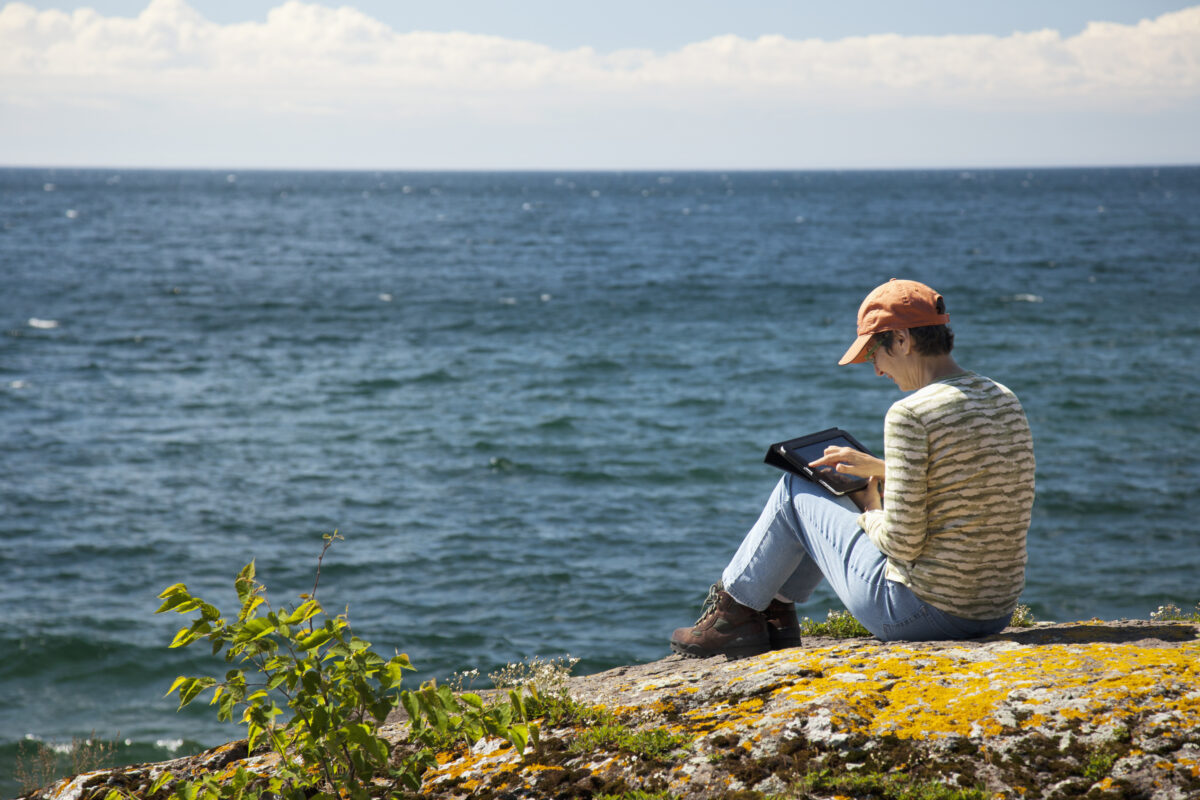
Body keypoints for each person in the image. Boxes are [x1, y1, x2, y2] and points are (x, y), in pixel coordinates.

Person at [669, 279, 1035, 658]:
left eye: (874, 353)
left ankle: (736, 616)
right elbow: (978, 480)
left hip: (920, 614)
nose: (876, 370)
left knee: (795, 490)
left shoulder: (910, 414)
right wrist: (884, 468)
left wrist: (869, 505)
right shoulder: (1001, 396)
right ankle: (768, 615)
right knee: (825, 485)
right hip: (993, 611)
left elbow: (901, 543)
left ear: (901, 340)